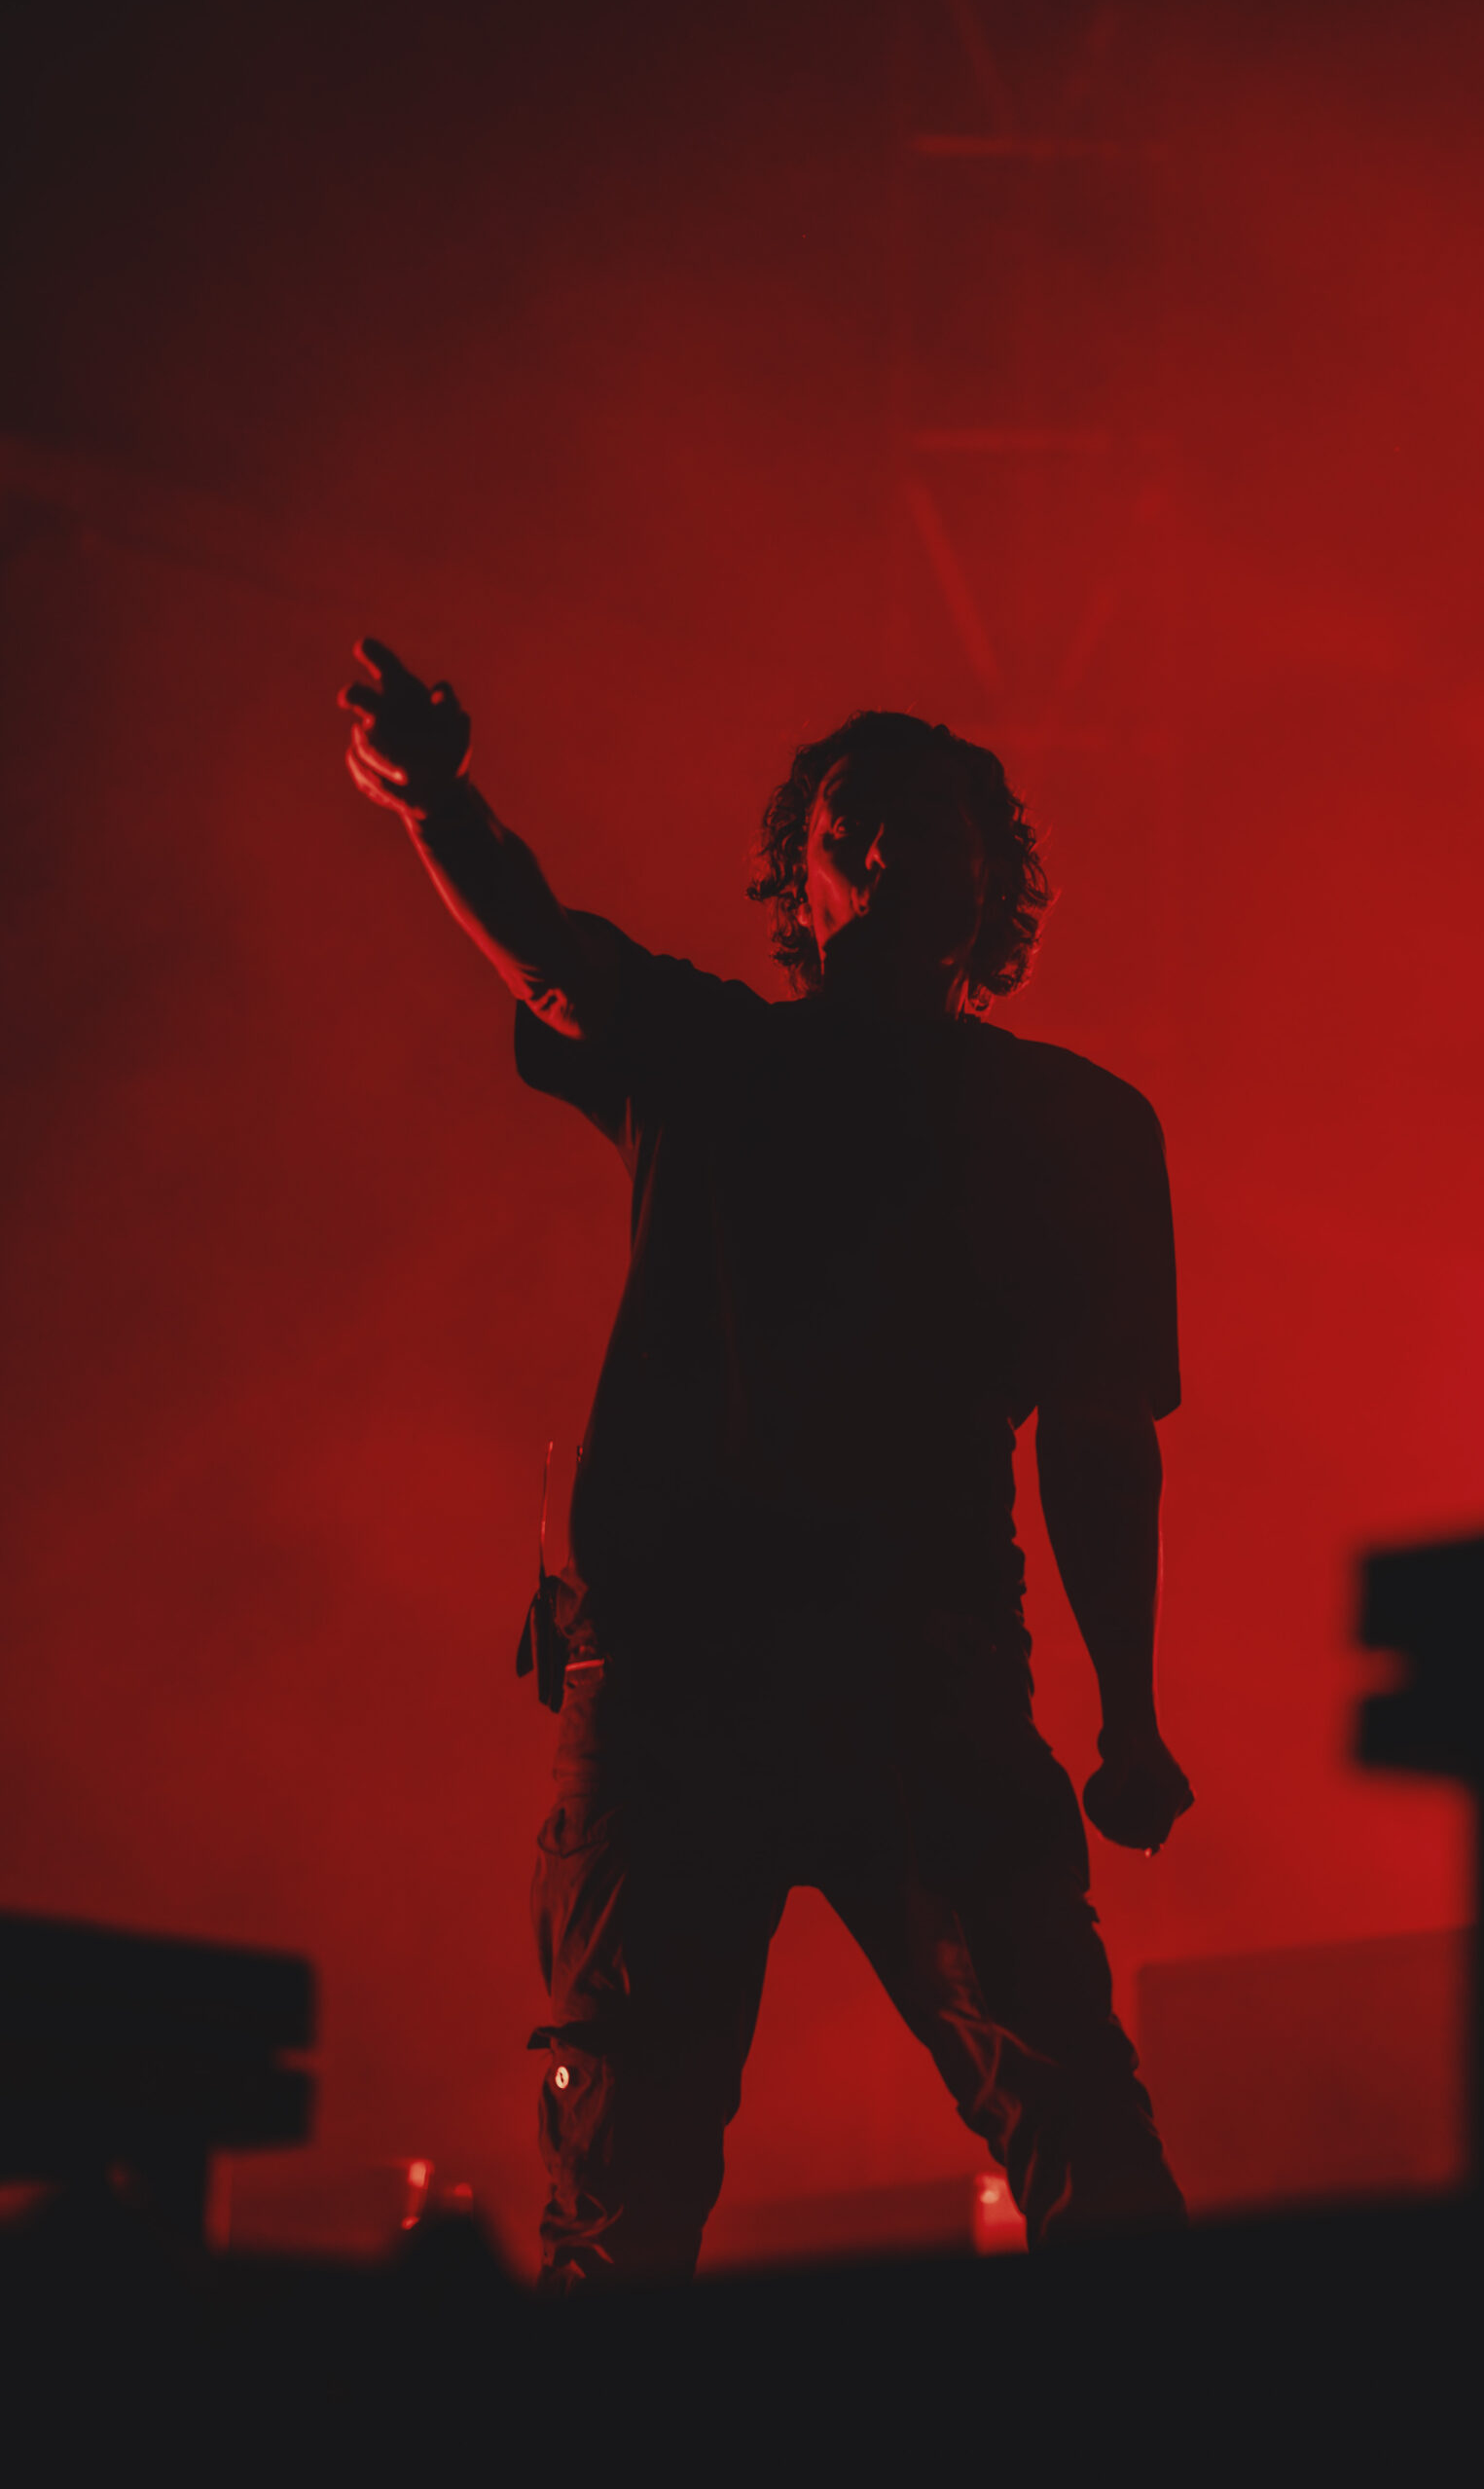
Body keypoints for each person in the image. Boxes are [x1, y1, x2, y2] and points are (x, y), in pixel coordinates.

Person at [341, 637, 1195, 2288]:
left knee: (1075, 2148)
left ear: (993, 879)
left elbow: (1101, 1439)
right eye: (849, 822)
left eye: (924, 820)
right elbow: (545, 951)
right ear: (798, 883)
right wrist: (434, 803)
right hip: (688, 1682)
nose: (883, 844)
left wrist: (1132, 1712)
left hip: (913, 1677)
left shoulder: (1077, 1126)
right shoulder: (710, 1052)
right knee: (629, 2193)